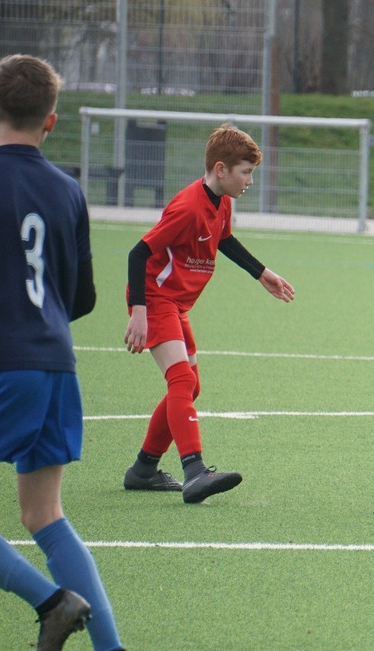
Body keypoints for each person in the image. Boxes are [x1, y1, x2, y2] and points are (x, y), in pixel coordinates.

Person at [0, 54, 142, 651]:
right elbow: (83, 296)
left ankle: (50, 603)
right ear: (51, 120)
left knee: (42, 515)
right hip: (56, 367)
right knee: (44, 514)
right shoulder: (68, 190)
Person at [122, 124, 295, 504]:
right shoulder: (187, 208)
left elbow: (224, 239)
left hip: (175, 303)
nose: (250, 181)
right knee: (181, 379)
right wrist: (139, 312)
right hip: (155, 297)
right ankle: (194, 470)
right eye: (245, 172)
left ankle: (144, 469)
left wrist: (261, 273)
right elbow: (139, 252)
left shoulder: (223, 202)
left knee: (191, 386)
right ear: (221, 169)